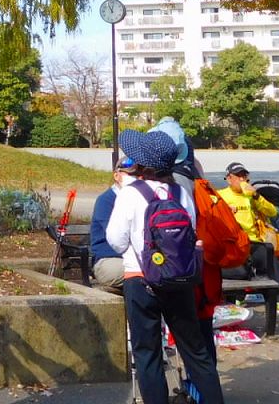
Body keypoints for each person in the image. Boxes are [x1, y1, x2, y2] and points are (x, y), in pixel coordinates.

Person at [106, 129, 224, 404]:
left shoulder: (130, 194)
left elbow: (115, 240)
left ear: (142, 163)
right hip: (180, 281)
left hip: (140, 279)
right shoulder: (182, 193)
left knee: (147, 355)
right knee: (196, 352)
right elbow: (190, 232)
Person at [150, 117, 225, 361]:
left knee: (191, 337)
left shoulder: (171, 184)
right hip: (205, 265)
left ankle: (197, 389)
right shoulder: (196, 171)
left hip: (182, 267)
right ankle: (207, 389)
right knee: (202, 332)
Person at [217, 162, 279, 316]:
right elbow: (210, 216)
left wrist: (255, 195)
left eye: (244, 176)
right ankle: (236, 295)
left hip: (253, 242)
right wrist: (225, 211)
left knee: (269, 254)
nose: (242, 179)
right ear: (229, 178)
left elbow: (272, 212)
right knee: (239, 270)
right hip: (233, 243)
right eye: (238, 176)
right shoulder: (221, 195)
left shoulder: (251, 195)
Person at [89, 160, 131, 291]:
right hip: (109, 259)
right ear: (116, 176)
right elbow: (117, 237)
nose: (134, 178)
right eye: (128, 174)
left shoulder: (140, 197)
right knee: (140, 274)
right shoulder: (106, 200)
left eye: (137, 174)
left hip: (134, 259)